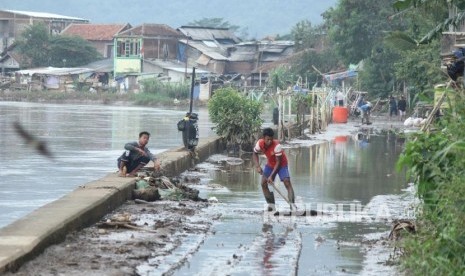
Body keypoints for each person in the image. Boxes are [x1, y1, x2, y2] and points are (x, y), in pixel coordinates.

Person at [252, 128, 295, 211]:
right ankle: (271, 206)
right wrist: (257, 166)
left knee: (287, 182)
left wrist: (271, 176)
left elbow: (278, 163)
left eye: (271, 139)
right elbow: (255, 153)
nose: (270, 141)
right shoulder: (259, 143)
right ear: (263, 138)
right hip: (270, 164)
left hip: (281, 164)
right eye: (268, 139)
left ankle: (292, 205)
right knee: (263, 183)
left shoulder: (277, 146)